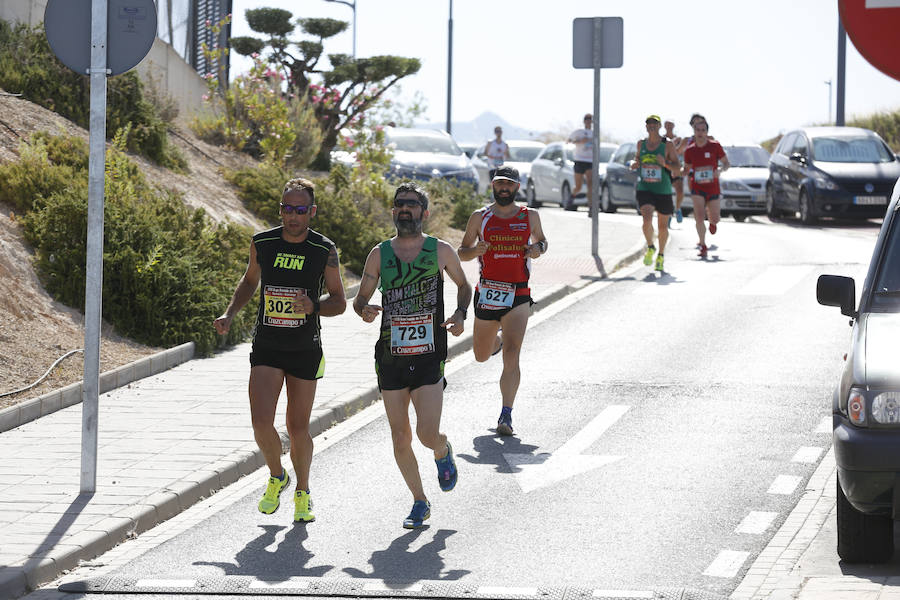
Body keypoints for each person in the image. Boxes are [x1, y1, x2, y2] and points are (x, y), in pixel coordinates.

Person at [214, 178, 346, 523]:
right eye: (287, 209)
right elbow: (249, 280)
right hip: (268, 346)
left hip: (304, 348)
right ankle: (277, 475)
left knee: (298, 428)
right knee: (261, 423)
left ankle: (303, 491)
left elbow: (340, 301)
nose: (293, 216)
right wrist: (230, 313)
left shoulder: (324, 249)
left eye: (300, 210)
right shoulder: (263, 242)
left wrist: (314, 306)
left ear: (312, 212)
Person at [353, 182, 472, 529]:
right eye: (399, 204)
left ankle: (442, 450)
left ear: (424, 212)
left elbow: (464, 286)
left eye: (412, 204)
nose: (405, 209)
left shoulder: (440, 251)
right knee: (400, 436)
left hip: (428, 354)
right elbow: (359, 299)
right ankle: (420, 501)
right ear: (393, 211)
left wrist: (460, 314)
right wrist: (364, 309)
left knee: (426, 434)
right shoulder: (379, 254)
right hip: (390, 356)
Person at [458, 165, 548, 437]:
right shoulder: (480, 217)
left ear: (517, 187)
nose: (504, 188)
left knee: (513, 353)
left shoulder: (529, 215)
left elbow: (543, 242)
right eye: (500, 183)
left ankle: (506, 414)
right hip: (487, 292)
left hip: (518, 293)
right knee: (481, 355)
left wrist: (537, 249)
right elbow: (461, 252)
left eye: (509, 184)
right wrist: (475, 250)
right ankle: (494, 342)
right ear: (493, 186)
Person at [630, 115, 679, 272]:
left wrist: (665, 163)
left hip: (663, 189)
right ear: (646, 127)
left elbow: (677, 167)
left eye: (654, 123)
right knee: (646, 218)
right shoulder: (641, 143)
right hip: (645, 187)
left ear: (659, 126)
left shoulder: (667, 145)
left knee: (662, 227)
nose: (651, 126)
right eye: (649, 124)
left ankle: (661, 255)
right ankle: (651, 246)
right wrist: (634, 163)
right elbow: (636, 159)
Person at [682, 114, 730, 259]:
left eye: (703, 130)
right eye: (698, 130)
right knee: (699, 216)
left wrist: (720, 170)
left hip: (713, 187)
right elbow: (686, 168)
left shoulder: (715, 146)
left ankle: (713, 222)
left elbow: (726, 163)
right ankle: (703, 245)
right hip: (697, 187)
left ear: (707, 132)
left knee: (715, 218)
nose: (700, 133)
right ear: (694, 132)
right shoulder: (690, 150)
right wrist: (678, 172)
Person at [663, 119, 688, 223]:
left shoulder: (679, 140)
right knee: (666, 193)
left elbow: (681, 153)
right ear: (664, 126)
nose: (669, 127)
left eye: (671, 125)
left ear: (673, 127)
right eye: (667, 125)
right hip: (665, 169)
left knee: (680, 191)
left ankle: (677, 209)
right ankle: (668, 215)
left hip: (675, 168)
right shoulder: (662, 139)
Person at [568, 113, 594, 204]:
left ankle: (591, 206)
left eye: (590, 120)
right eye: (587, 119)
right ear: (584, 121)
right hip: (579, 160)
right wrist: (579, 141)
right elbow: (569, 141)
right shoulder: (578, 132)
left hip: (590, 161)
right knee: (578, 186)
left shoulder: (594, 133)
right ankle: (572, 195)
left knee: (590, 184)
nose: (588, 122)